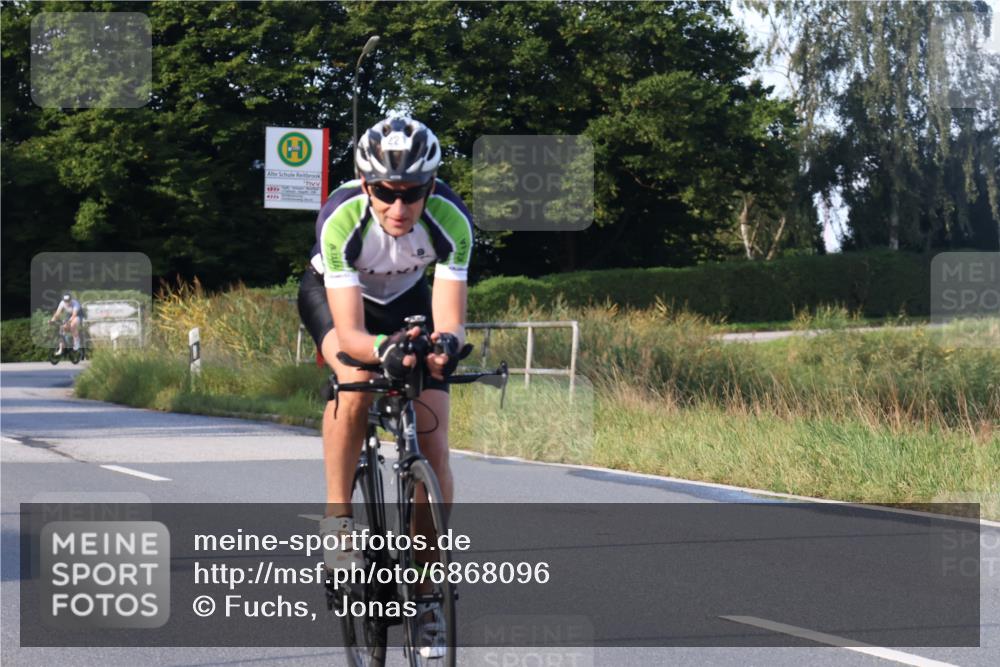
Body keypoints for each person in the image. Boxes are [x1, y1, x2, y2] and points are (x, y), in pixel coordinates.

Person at [297, 116, 473, 657]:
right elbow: (350, 333)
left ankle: (425, 601)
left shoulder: (453, 222)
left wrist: (442, 347)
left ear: (431, 185)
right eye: (386, 194)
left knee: (434, 446)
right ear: (365, 185)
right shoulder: (341, 218)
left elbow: (451, 320)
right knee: (355, 378)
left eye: (413, 193)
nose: (400, 208)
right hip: (340, 303)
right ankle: (337, 522)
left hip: (409, 304)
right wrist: (382, 351)